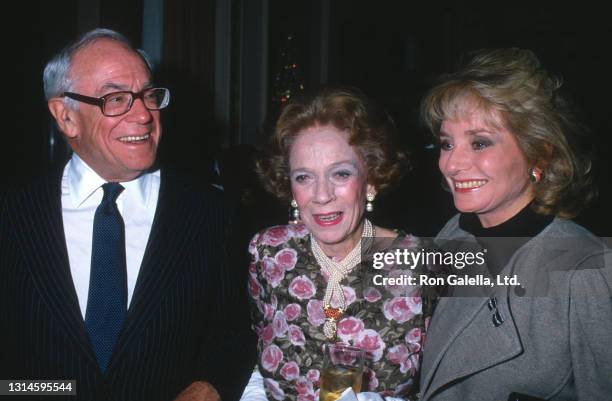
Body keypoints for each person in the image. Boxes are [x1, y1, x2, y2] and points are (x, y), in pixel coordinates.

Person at [0, 28, 253, 401]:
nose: (144, 115)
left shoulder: (213, 216)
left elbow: (239, 334)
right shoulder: (12, 215)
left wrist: (209, 387)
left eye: (149, 95)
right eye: (116, 98)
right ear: (65, 116)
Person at [419, 48, 612, 401]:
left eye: (479, 143)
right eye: (447, 144)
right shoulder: (454, 234)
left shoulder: (586, 268)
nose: (452, 164)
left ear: (538, 153)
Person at [243, 87, 438, 401]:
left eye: (341, 173)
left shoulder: (422, 265)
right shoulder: (269, 252)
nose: (321, 195)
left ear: (371, 178)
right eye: (304, 177)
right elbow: (249, 353)